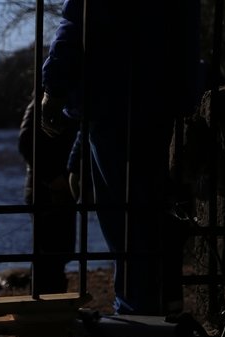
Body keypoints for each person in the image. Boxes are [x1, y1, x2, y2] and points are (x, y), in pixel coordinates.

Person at [40, 0, 201, 315]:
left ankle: (136, 317)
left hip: (112, 98)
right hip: (164, 96)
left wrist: (54, 87)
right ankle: (159, 311)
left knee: (124, 220)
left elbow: (79, 20)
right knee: (152, 214)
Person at [18, 97, 79, 294]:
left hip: (55, 187)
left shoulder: (55, 101)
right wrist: (53, 178)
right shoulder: (44, 102)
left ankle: (49, 304)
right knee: (49, 255)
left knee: (56, 253)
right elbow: (26, 143)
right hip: (47, 189)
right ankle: (46, 303)